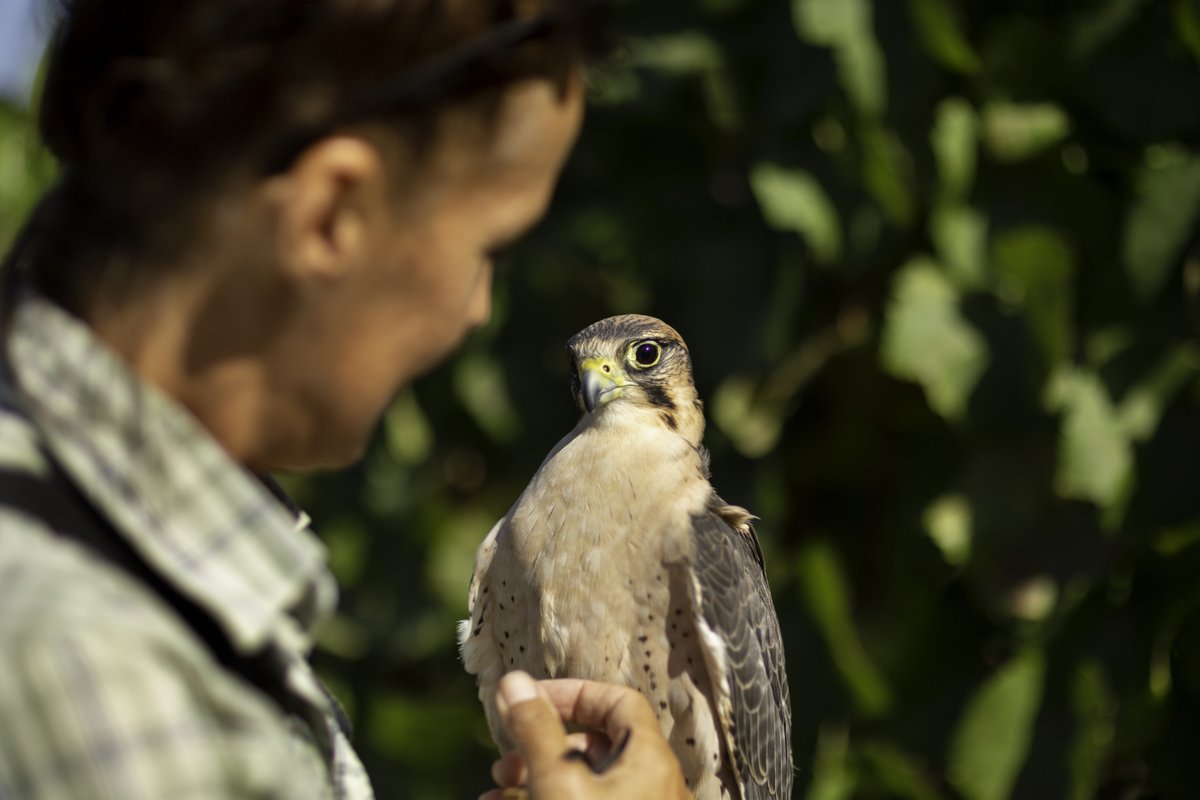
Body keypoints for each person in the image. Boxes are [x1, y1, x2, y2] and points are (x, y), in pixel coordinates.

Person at [0, 1, 689, 798]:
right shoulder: (105, 678)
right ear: (332, 216)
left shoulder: (124, 568)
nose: (477, 309)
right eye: (487, 247)